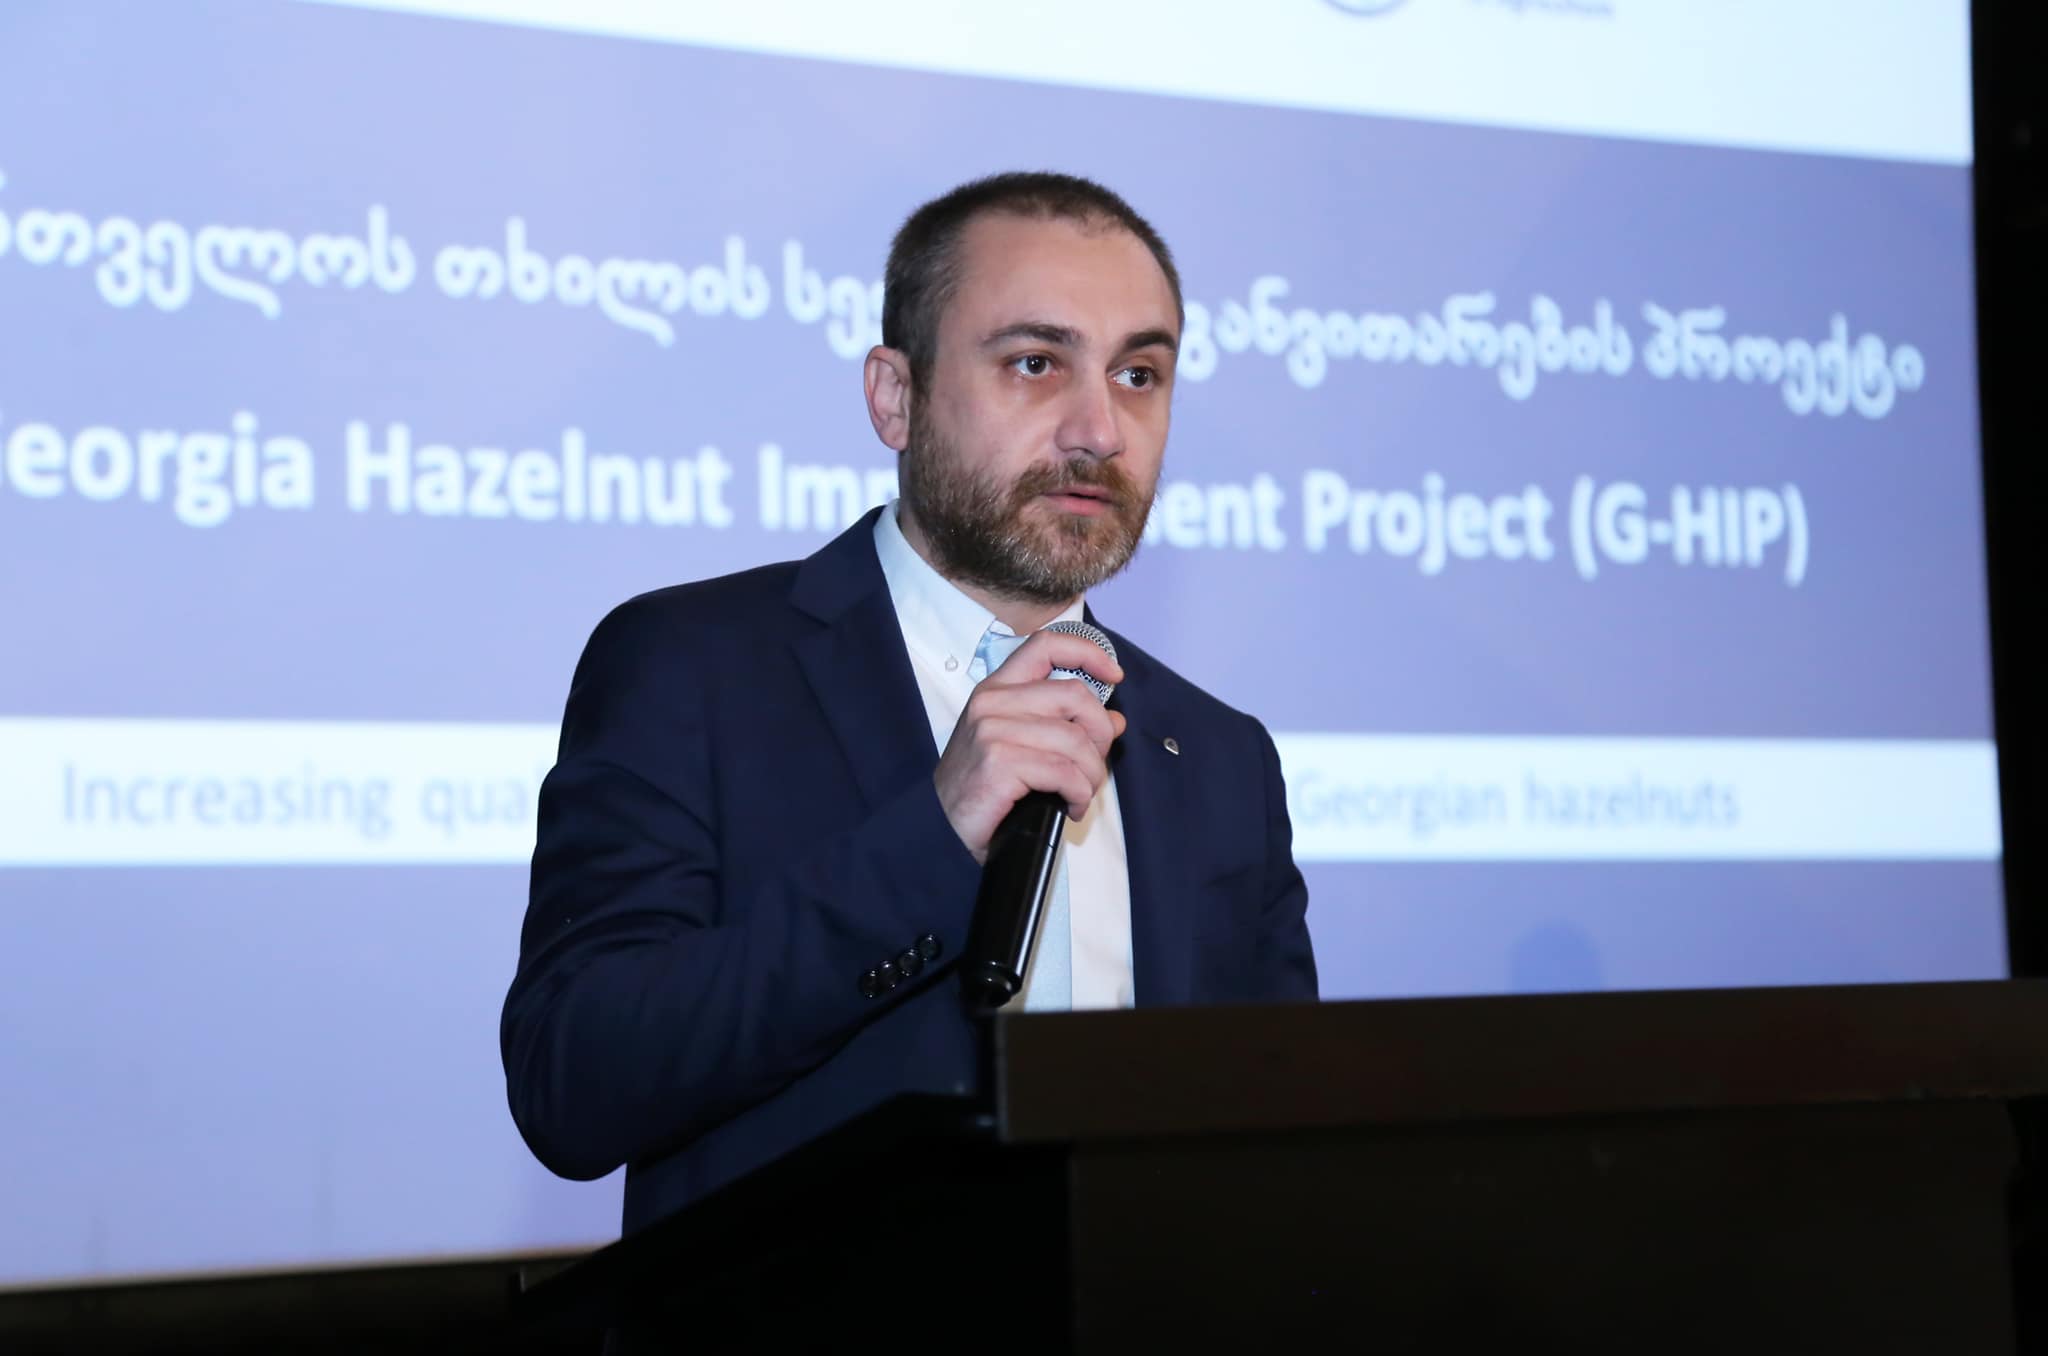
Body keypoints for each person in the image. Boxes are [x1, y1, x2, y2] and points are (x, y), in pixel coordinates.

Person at [501, 172, 1317, 1232]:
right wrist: (934, 836)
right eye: (1035, 363)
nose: (1100, 430)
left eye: (1138, 374)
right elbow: (575, 1085)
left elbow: (1274, 1154)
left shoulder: (1218, 756)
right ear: (895, 397)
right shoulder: (691, 666)